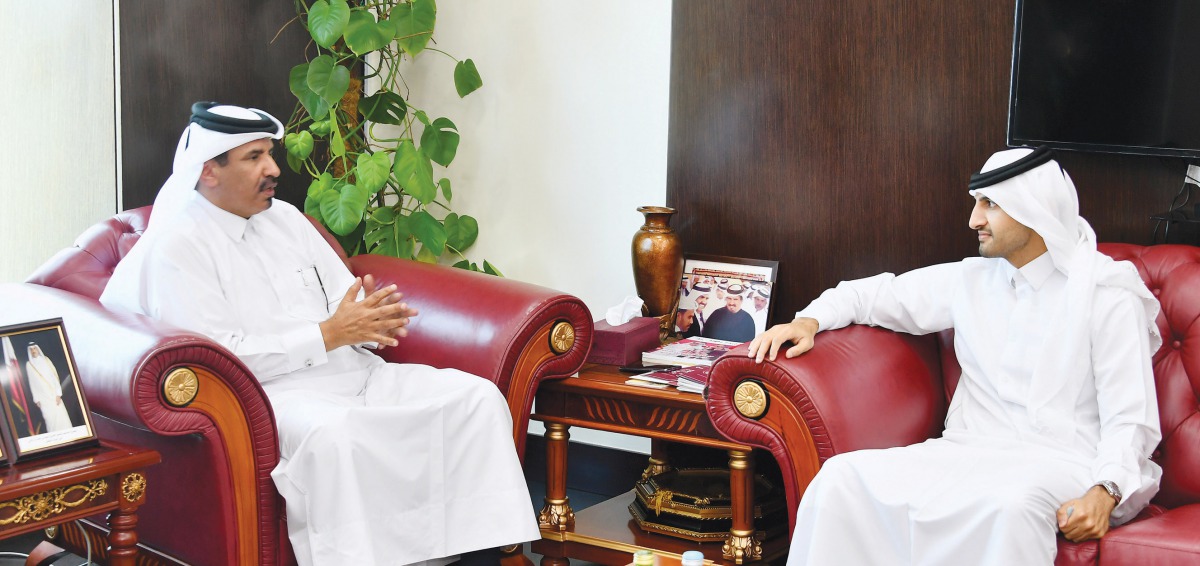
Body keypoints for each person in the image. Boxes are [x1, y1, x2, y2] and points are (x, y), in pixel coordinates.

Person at [100, 103, 538, 566]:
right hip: (274, 397)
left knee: (475, 399)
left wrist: (371, 319)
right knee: (335, 434)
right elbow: (219, 358)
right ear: (209, 170)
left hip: (356, 372)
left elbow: (342, 296)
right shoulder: (178, 247)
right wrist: (328, 335)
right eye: (254, 157)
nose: (273, 169)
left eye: (270, 154)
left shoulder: (286, 218)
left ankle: (494, 554)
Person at [748, 147, 1162, 565]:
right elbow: (876, 295)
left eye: (990, 204)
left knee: (1009, 505)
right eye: (976, 203)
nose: (974, 220)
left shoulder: (1108, 295)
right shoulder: (972, 279)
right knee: (840, 479)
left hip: (1065, 461)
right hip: (969, 449)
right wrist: (810, 320)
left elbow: (1130, 419)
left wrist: (1106, 491)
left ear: (1033, 209)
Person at [24, 343, 72, 433]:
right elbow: (32, 383)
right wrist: (36, 399)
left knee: (60, 416)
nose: (33, 351)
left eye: (34, 348)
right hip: (43, 398)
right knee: (49, 420)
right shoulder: (29, 365)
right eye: (31, 349)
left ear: (38, 349)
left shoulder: (46, 360)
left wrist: (58, 394)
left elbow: (54, 377)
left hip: (54, 394)